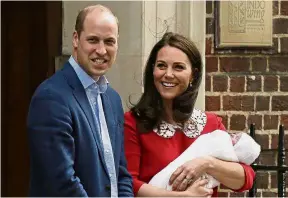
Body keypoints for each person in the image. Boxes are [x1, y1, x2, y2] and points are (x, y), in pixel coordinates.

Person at [124, 32, 255, 197]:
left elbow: (246, 179)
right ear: (152, 70)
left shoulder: (211, 124)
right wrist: (183, 197)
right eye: (161, 65)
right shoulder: (132, 122)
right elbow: (128, 184)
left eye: (178, 67)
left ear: (193, 74)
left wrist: (206, 163)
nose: (168, 74)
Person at [27, 5, 133, 197]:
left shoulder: (112, 99)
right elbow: (62, 183)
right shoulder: (51, 98)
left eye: (109, 41)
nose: (101, 50)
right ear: (76, 39)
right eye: (93, 40)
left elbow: (121, 174)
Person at [149, 130, 261, 190]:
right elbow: (132, 182)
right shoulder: (135, 123)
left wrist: (207, 163)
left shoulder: (212, 123)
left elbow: (248, 177)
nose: (232, 136)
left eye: (236, 139)